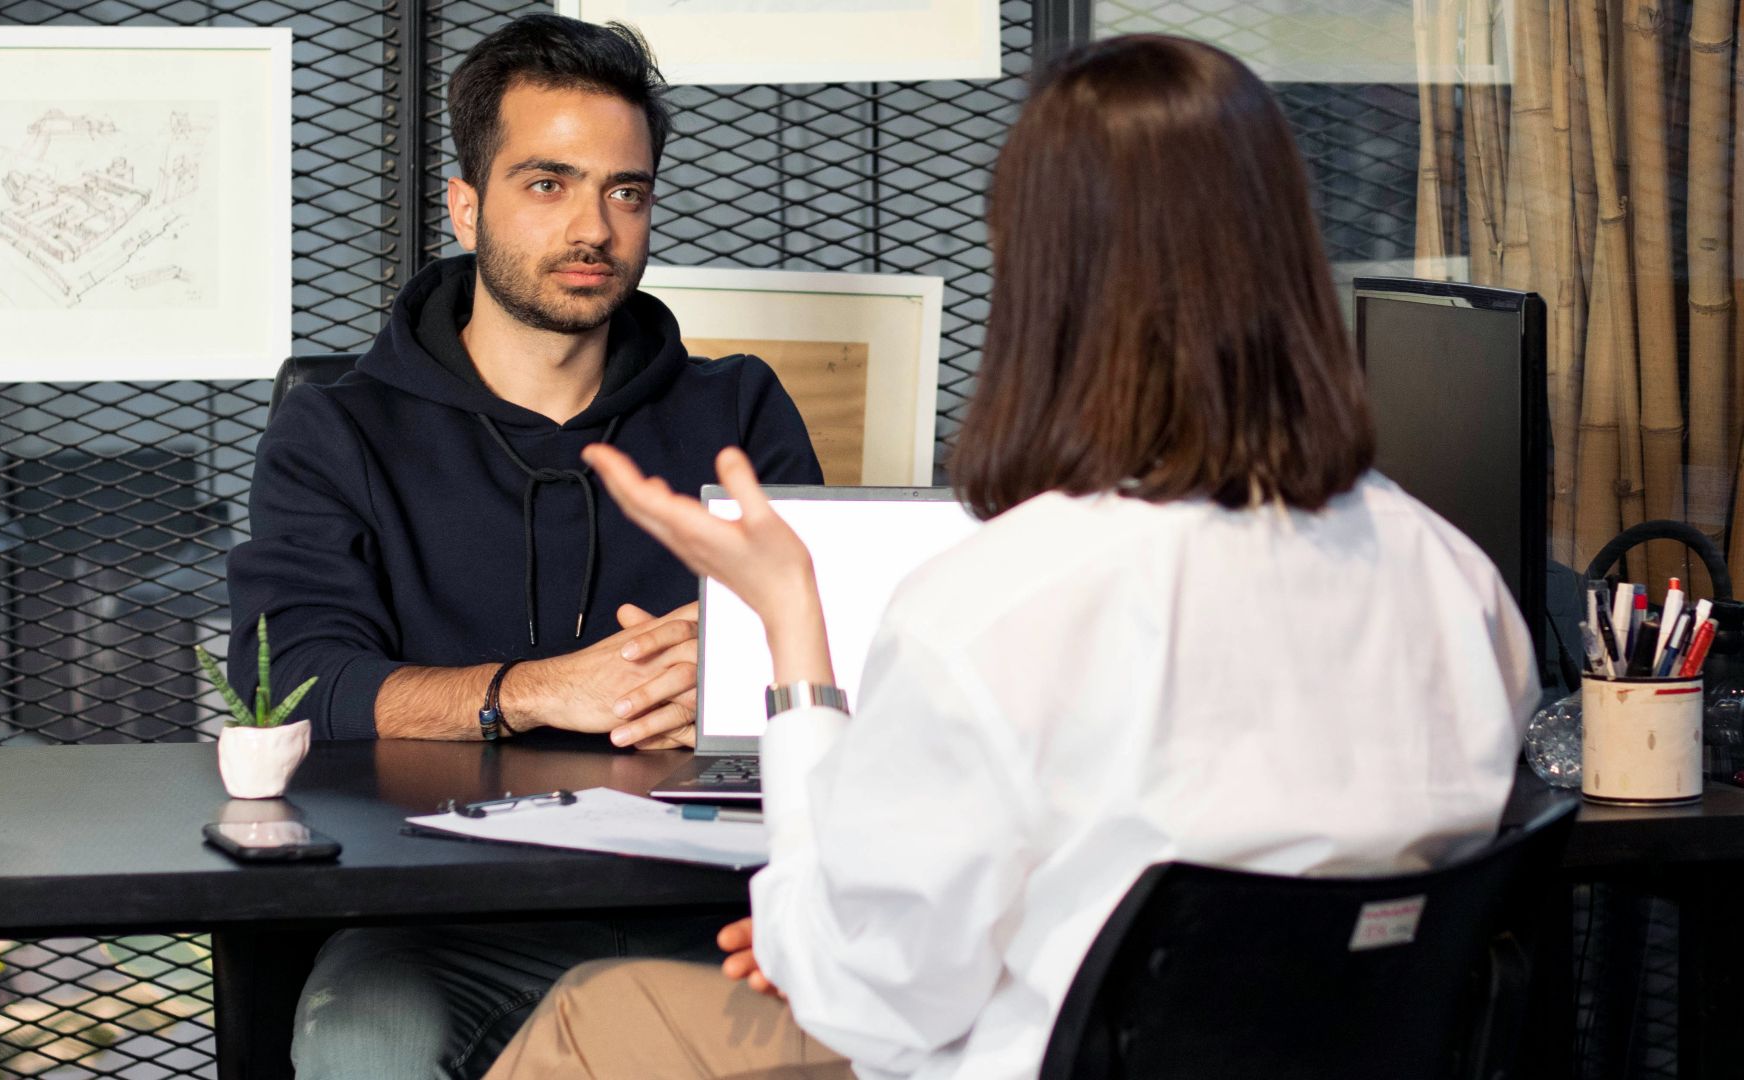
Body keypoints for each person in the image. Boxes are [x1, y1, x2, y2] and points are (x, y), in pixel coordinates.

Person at [483, 33, 1541, 1080]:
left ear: (1043, 276)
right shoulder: (1453, 579)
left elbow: (873, 996)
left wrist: (793, 636)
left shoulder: (999, 606)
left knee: (592, 1019)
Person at [224, 14, 822, 1077]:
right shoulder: (340, 431)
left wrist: (730, 678)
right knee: (367, 1042)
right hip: (444, 919)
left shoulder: (741, 410)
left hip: (719, 914)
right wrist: (534, 691)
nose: (594, 226)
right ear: (465, 205)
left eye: (624, 190)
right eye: (549, 183)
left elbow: (844, 670)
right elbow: (297, 681)